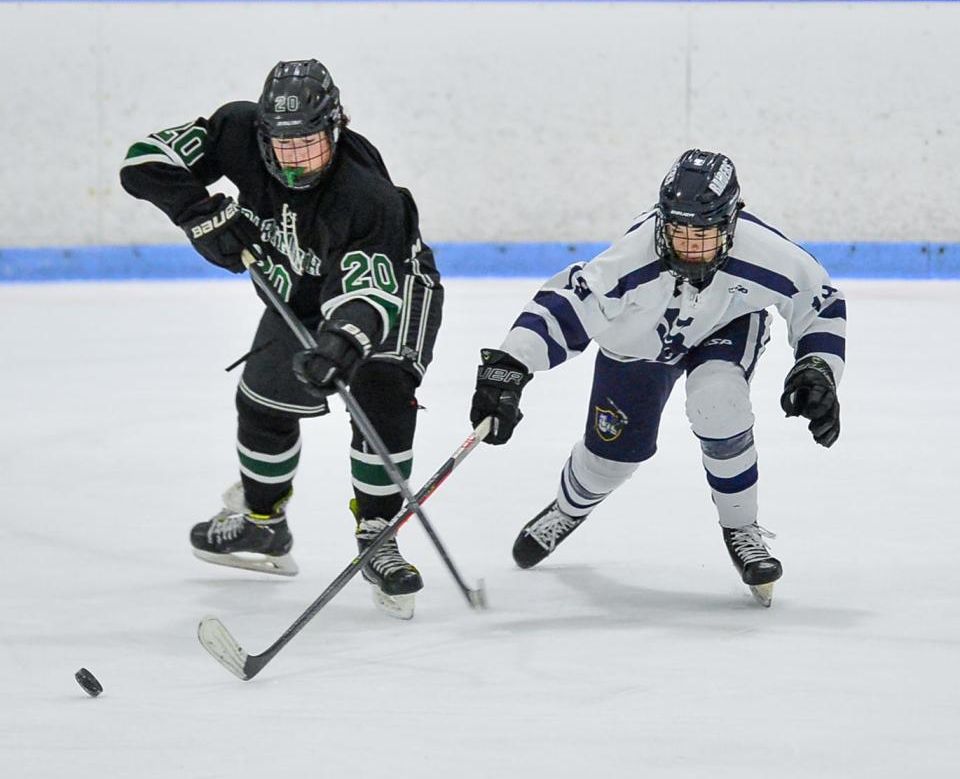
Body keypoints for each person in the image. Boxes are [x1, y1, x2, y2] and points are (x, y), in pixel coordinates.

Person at [120, 59, 442, 619]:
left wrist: (339, 345)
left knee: (379, 390)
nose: (295, 160)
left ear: (336, 127)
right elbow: (143, 162)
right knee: (263, 404)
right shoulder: (237, 131)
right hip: (300, 282)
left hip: (392, 289)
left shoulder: (367, 196)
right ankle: (263, 526)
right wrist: (199, 213)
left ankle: (378, 533)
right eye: (283, 145)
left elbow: (369, 296)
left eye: (310, 144)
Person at [469, 150, 845, 606]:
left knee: (719, 400)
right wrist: (510, 365)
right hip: (638, 342)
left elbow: (820, 302)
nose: (688, 245)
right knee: (611, 459)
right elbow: (567, 303)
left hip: (725, 325)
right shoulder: (632, 258)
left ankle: (742, 528)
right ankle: (567, 510)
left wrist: (817, 366)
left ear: (731, 224)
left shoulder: (765, 252)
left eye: (703, 234)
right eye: (678, 231)